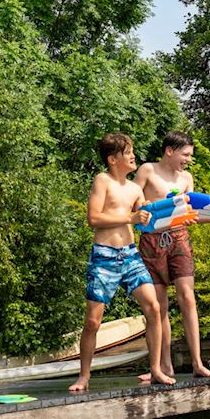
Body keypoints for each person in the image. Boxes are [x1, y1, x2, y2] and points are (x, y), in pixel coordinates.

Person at [70, 133, 172, 392]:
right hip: (104, 256)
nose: (133, 156)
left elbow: (145, 218)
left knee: (154, 307)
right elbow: (93, 218)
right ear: (113, 159)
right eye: (128, 152)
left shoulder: (135, 189)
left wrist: (176, 214)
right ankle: (84, 376)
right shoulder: (102, 181)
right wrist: (131, 217)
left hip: (130, 255)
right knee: (93, 321)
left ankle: (156, 370)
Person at [134, 130, 210, 382]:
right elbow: (132, 204)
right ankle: (164, 366)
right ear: (169, 151)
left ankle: (198, 363)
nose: (188, 159)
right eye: (185, 154)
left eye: (190, 155)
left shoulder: (186, 178)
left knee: (188, 298)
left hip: (179, 239)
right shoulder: (147, 170)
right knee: (159, 306)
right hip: (152, 241)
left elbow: (191, 215)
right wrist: (147, 208)